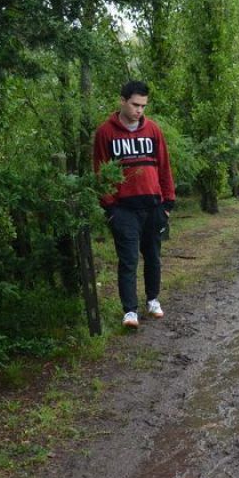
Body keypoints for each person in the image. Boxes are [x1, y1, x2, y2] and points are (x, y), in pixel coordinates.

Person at [93, 80, 176, 328]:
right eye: (134, 104)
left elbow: (164, 166)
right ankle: (130, 311)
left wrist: (168, 204)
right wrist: (110, 208)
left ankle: (152, 300)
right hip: (123, 210)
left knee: (152, 256)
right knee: (128, 259)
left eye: (143, 106)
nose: (139, 110)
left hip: (153, 206)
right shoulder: (105, 133)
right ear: (122, 101)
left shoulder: (153, 130)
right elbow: (100, 171)